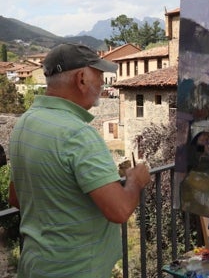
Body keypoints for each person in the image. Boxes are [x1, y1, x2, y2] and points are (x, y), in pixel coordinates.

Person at [8, 43, 151, 277]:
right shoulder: (78, 134)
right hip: (77, 269)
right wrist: (135, 179)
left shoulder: (25, 123)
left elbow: (16, 196)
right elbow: (120, 210)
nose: (103, 82)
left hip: (35, 266)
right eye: (100, 74)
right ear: (82, 78)